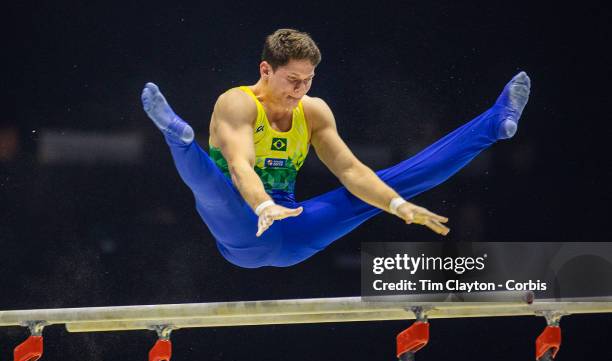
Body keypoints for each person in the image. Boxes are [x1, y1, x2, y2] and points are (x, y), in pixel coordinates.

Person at [141, 28, 530, 268]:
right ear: (265, 70)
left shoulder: (313, 111)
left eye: (308, 80)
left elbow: (350, 170)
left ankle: (493, 124)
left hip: (294, 226)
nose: (300, 90)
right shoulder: (237, 103)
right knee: (211, 190)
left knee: (385, 187)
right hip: (244, 227)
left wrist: (397, 204)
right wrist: (262, 206)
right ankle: (179, 137)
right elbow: (241, 166)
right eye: (292, 79)